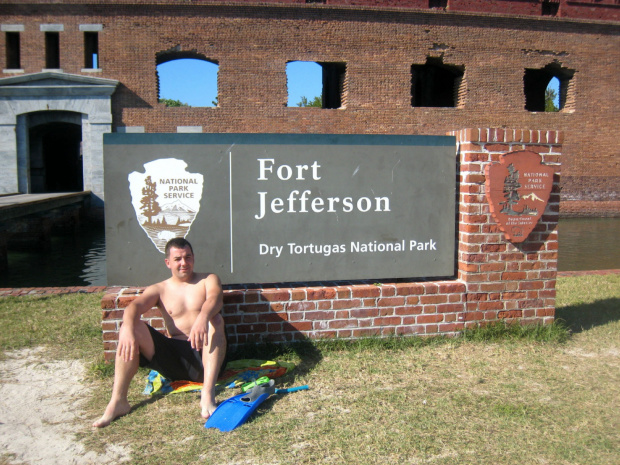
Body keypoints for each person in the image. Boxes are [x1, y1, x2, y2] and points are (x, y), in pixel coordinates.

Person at [93, 237, 226, 428]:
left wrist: (203, 317)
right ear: (168, 262)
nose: (184, 263)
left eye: (188, 257)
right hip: (175, 359)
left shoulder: (208, 279)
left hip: (207, 355)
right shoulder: (160, 289)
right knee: (131, 326)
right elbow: (134, 307)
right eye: (178, 259)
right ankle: (118, 401)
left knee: (216, 320)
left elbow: (215, 299)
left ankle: (207, 394)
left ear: (193, 258)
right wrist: (127, 328)